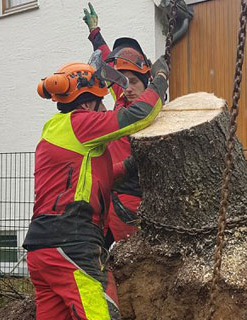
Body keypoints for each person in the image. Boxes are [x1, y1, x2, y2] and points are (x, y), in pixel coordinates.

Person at [23, 59, 168, 320]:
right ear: (88, 105)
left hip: (42, 251)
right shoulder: (82, 123)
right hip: (73, 247)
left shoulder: (54, 130)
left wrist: (130, 164)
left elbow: (92, 178)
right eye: (101, 103)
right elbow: (138, 115)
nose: (105, 108)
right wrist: (160, 80)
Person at [83, 3, 155, 247]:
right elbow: (107, 61)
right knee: (96, 259)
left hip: (132, 197)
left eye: (135, 81)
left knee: (133, 262)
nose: (129, 88)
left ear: (148, 81)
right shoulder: (123, 95)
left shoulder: (152, 112)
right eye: (125, 82)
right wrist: (95, 34)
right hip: (106, 196)